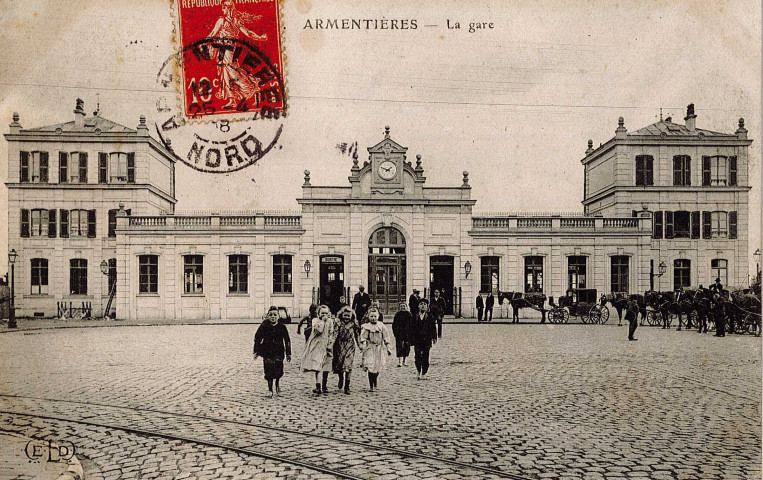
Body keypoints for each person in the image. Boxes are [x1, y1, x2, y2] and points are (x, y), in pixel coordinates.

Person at [207, 0, 268, 109]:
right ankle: (232, 100)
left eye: (224, 7)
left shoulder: (236, 21)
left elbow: (248, 32)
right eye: (222, 7)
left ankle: (251, 87)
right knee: (224, 72)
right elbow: (212, 33)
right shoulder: (221, 20)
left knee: (231, 71)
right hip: (221, 49)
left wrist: (259, 38)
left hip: (230, 49)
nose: (223, 9)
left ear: (229, 8)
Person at [253, 306, 292, 397]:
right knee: (269, 371)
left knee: (278, 370)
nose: (273, 317)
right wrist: (256, 351)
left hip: (279, 352)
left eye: (275, 315)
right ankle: (270, 389)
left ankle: (277, 383)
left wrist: (288, 353)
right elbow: (257, 338)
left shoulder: (282, 327)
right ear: (267, 316)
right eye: (270, 315)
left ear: (278, 316)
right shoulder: (264, 326)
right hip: (267, 352)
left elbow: (287, 340)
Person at [301, 305, 336, 394]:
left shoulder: (330, 321)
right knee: (318, 366)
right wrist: (322, 321)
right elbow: (319, 330)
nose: (324, 315)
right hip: (317, 345)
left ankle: (324, 385)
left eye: (326, 313)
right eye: (322, 313)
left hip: (326, 345)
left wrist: (330, 343)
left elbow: (331, 333)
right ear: (318, 314)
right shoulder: (315, 321)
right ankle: (318, 386)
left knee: (326, 366)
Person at [359, 308, 392, 391]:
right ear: (368, 316)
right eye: (371, 316)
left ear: (378, 316)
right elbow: (363, 337)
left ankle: (375, 381)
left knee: (377, 367)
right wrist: (363, 345)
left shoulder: (381, 326)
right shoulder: (366, 327)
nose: (373, 318)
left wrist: (388, 347)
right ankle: (371, 385)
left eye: (375, 316)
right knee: (370, 366)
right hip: (370, 348)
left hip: (379, 348)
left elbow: (386, 337)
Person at [332, 306, 360, 394]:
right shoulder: (338, 323)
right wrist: (331, 343)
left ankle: (347, 386)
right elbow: (335, 334)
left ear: (352, 316)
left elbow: (357, 336)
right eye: (345, 315)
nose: (347, 317)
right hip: (340, 346)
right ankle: (341, 378)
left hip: (350, 346)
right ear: (342, 315)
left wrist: (360, 345)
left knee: (348, 366)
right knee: (340, 365)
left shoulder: (354, 324)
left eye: (349, 316)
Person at [409, 298, 438, 380]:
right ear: (418, 306)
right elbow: (411, 328)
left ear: (427, 306)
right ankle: (418, 370)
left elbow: (433, 328)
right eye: (421, 304)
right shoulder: (414, 316)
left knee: (425, 356)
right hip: (417, 339)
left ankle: (424, 372)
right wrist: (410, 338)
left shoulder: (430, 316)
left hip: (427, 340)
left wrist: (434, 337)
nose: (423, 306)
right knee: (417, 356)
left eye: (425, 304)